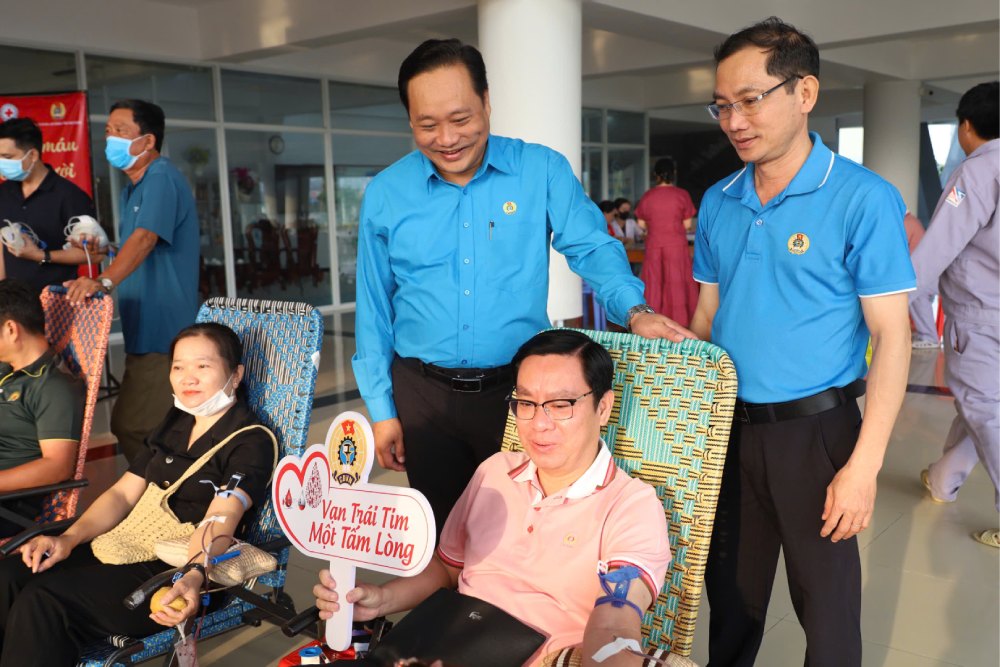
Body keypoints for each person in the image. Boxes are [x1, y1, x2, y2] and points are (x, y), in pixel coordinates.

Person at [353, 38, 691, 529]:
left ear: (487, 103)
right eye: (428, 125)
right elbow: (374, 306)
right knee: (443, 535)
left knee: (524, 532)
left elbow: (592, 245)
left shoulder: (540, 170)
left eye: (461, 118)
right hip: (422, 394)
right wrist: (382, 409)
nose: (446, 138)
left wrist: (635, 312)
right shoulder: (387, 193)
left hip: (518, 394)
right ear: (410, 121)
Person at [692, 18, 914, 666]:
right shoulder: (718, 201)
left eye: (751, 99)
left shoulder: (861, 198)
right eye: (723, 105)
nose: (734, 120)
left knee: (828, 607)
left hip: (817, 435)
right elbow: (707, 316)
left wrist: (863, 467)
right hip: (730, 429)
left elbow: (892, 336)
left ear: (805, 92)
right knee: (729, 599)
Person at [318, 330, 671, 665]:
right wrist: (381, 600)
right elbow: (446, 569)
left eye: (561, 404)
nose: (539, 423)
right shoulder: (496, 471)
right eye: (526, 403)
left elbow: (615, 620)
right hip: (444, 644)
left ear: (603, 407)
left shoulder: (630, 504)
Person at [0, 322, 276, 665]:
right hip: (128, 542)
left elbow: (223, 517)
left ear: (235, 375)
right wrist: (68, 539)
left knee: (45, 601)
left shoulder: (251, 441)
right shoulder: (176, 421)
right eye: (178, 367)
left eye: (203, 366)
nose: (187, 378)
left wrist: (193, 575)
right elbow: (122, 495)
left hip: (178, 570)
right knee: (10, 574)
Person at [64, 99, 200, 464]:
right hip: (145, 328)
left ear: (148, 140)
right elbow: (138, 245)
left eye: (121, 131)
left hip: (164, 325)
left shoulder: (160, 178)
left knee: (136, 426)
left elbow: (146, 239)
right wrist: (107, 249)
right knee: (143, 427)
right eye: (108, 131)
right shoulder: (134, 188)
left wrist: (104, 281)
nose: (111, 138)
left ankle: (162, 499)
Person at [909, 81, 999, 548]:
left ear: (966, 126)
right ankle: (943, 480)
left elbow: (938, 246)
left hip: (982, 315)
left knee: (986, 411)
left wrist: (897, 300)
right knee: (980, 402)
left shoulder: (978, 171)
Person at [0, 279, 83, 536]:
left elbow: (57, 466)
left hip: (11, 504)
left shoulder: (52, 386)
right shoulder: (7, 368)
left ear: (11, 329)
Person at [0, 118, 102, 293]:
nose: (2, 163)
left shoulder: (69, 196)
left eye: (7, 157)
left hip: (57, 303)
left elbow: (96, 253)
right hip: (13, 305)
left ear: (32, 155)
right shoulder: (4, 192)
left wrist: (41, 256)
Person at [635, 158, 699, 327]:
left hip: (654, 244)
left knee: (654, 282)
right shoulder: (682, 195)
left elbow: (641, 224)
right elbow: (687, 225)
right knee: (677, 283)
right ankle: (681, 322)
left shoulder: (648, 196)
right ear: (674, 173)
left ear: (655, 175)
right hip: (676, 245)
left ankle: (652, 322)